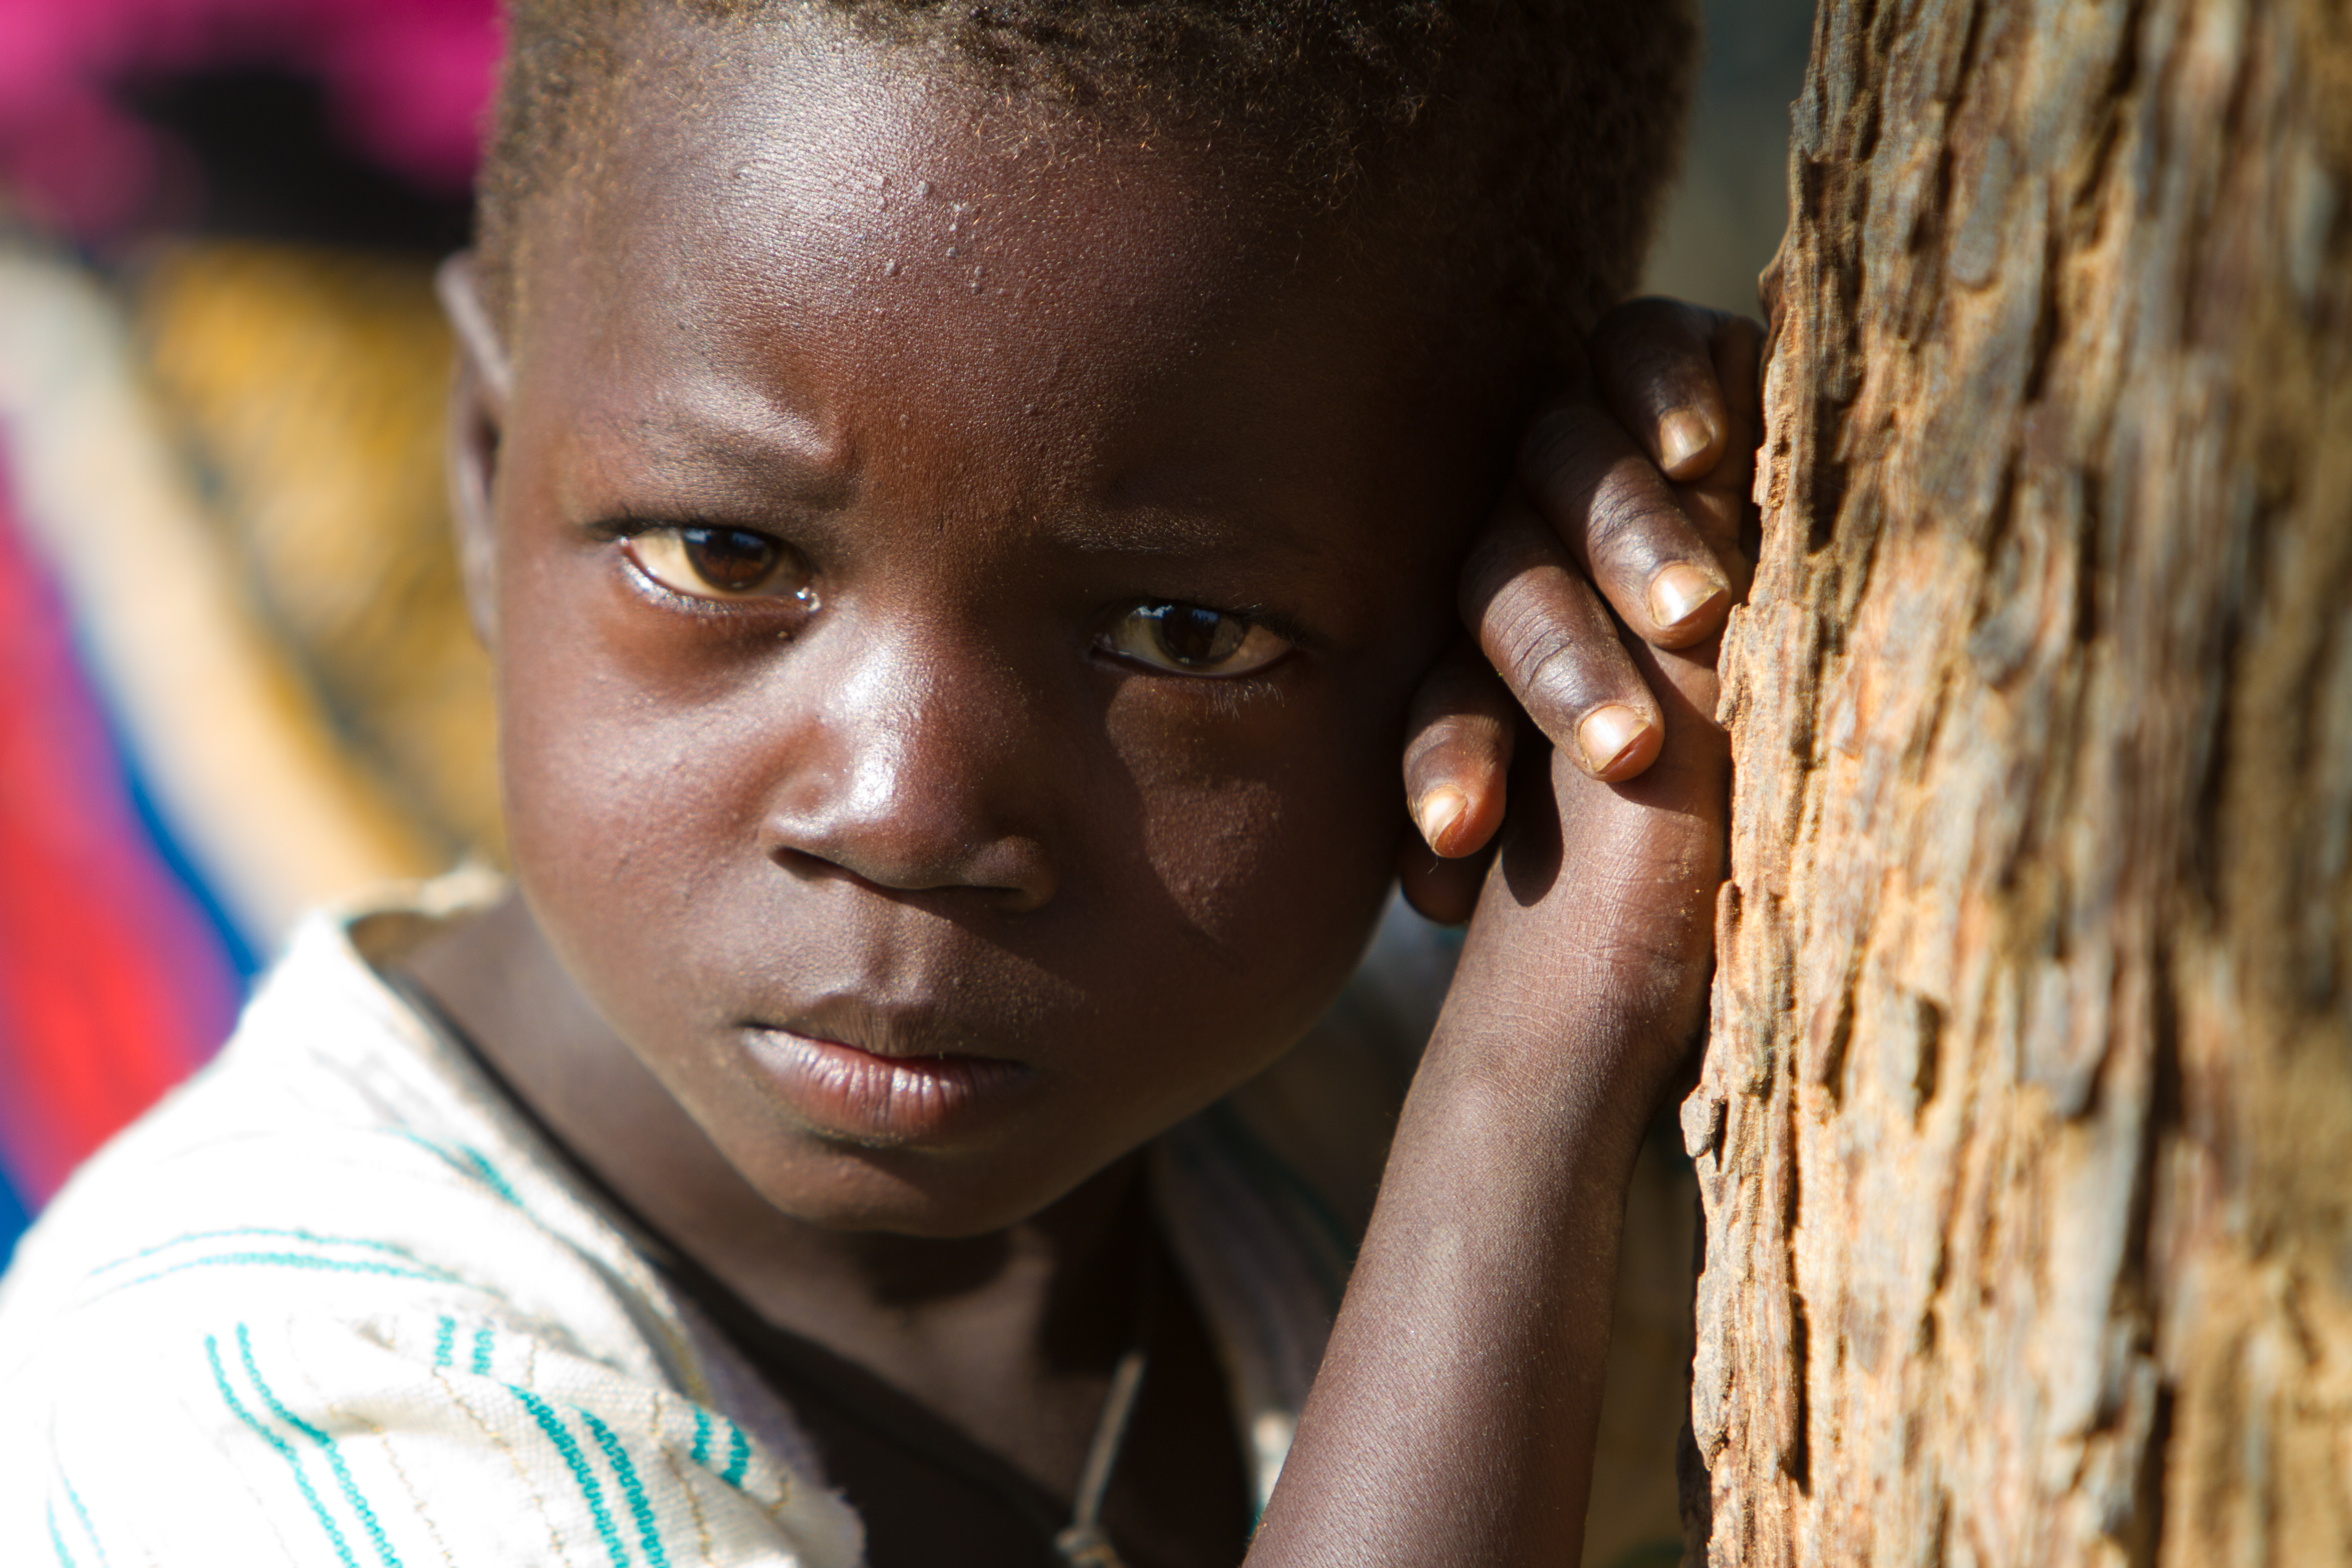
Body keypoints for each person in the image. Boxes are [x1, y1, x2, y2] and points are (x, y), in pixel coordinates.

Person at [0, 1, 1763, 1563]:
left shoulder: (1344, 1124)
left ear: (1485, 601)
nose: (910, 814)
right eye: (724, 552)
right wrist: (1531, 1081)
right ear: (483, 462)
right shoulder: (268, 1397)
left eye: (1182, 631)